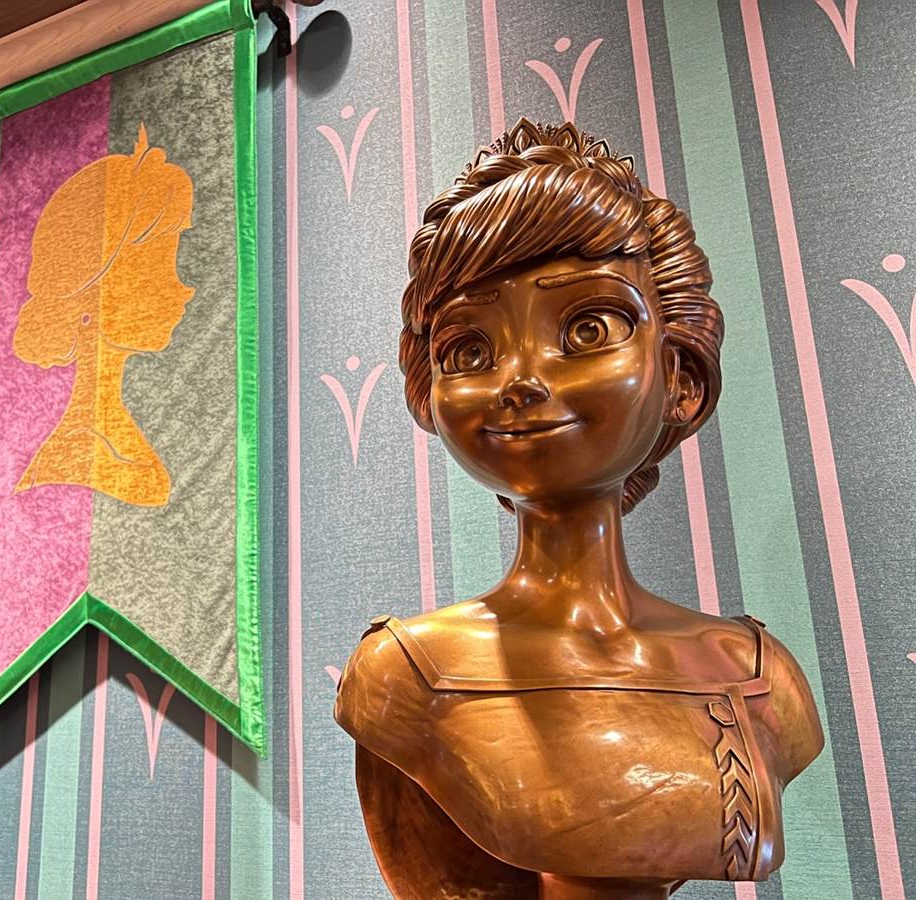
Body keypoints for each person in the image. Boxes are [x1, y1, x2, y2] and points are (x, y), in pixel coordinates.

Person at [334, 120, 824, 900]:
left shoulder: (760, 675)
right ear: (431, 395)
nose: (520, 380)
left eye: (588, 328)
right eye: (470, 350)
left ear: (680, 378)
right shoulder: (403, 675)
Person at [12, 124, 194, 506]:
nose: (182, 288)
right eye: (156, 269)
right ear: (87, 296)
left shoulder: (111, 433)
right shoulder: (80, 452)